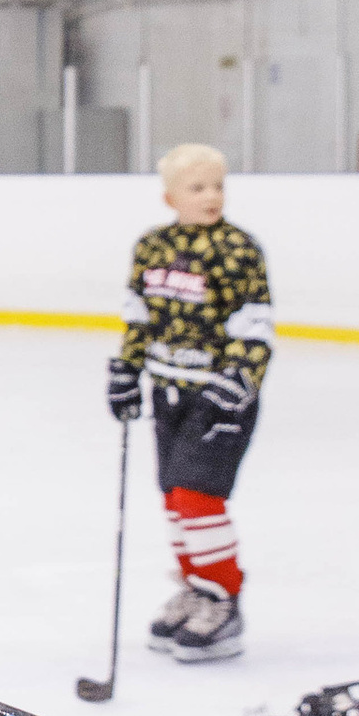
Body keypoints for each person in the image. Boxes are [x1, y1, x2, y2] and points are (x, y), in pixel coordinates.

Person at [107, 140, 275, 662]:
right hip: (169, 392)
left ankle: (223, 599)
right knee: (175, 501)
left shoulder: (238, 248)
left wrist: (239, 380)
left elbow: (255, 322)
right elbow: (139, 316)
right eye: (197, 187)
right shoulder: (152, 247)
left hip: (220, 396)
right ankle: (196, 585)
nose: (211, 196)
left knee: (200, 499)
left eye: (218, 186)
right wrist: (127, 370)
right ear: (169, 197)